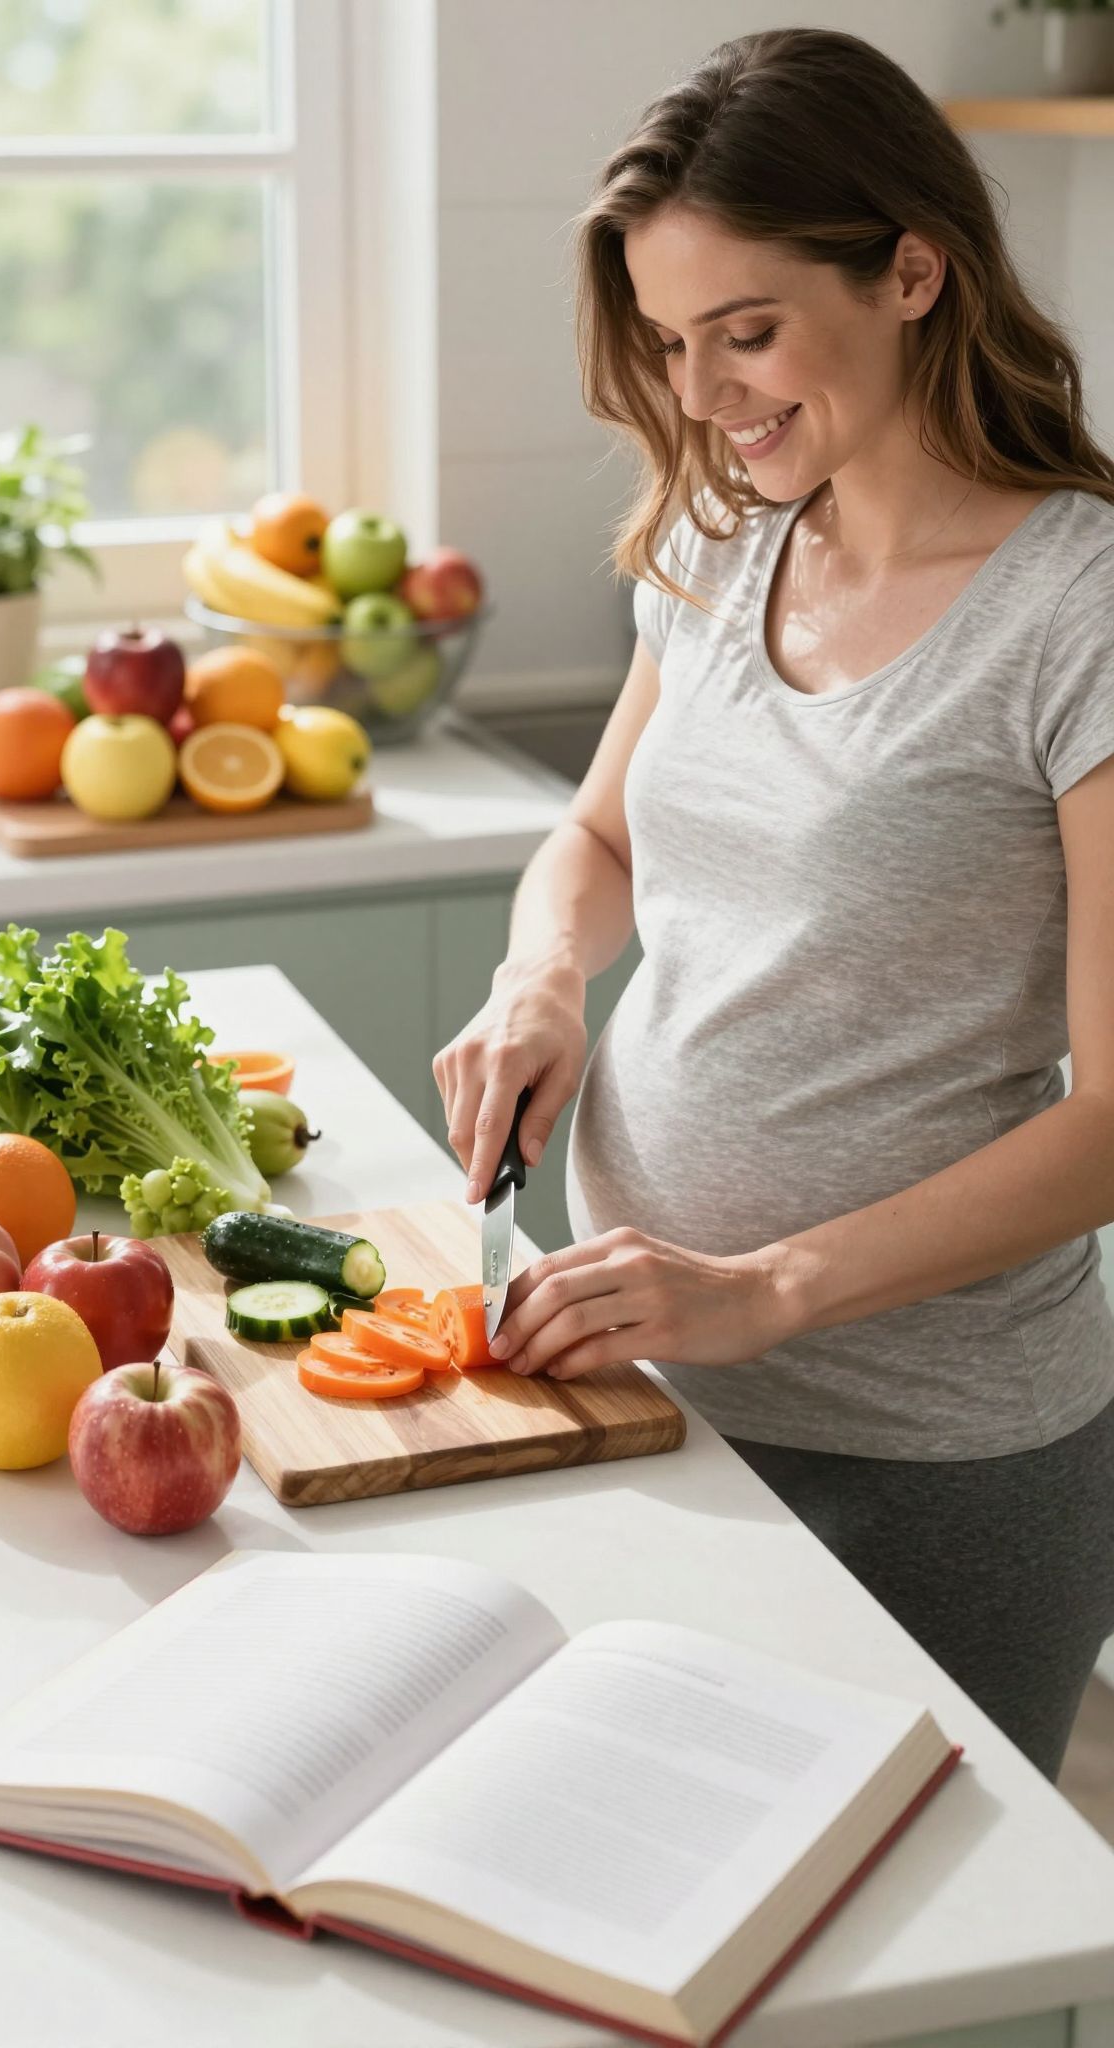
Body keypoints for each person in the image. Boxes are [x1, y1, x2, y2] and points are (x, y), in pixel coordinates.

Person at [430, 27, 1114, 1782]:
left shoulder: (1079, 612)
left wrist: (760, 1287)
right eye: (673, 344)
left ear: (910, 267)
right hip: (641, 1389)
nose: (708, 392)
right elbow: (599, 844)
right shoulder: (732, 541)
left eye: (747, 330)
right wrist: (541, 985)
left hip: (931, 1451)